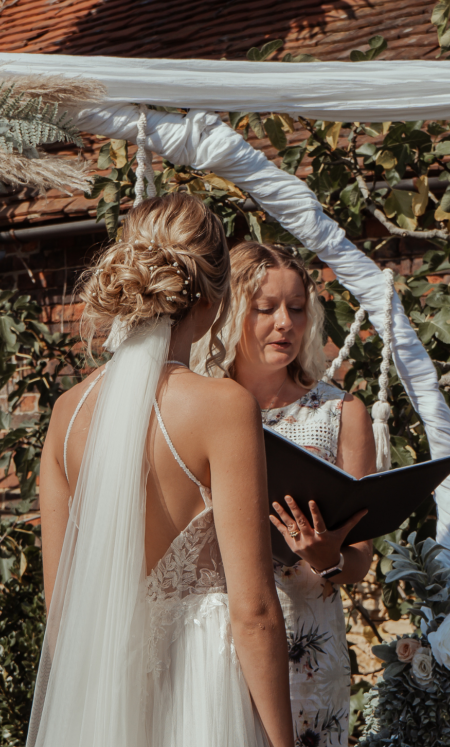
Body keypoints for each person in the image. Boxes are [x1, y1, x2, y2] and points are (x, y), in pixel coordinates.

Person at [30, 194, 294, 747]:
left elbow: (62, 615)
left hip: (109, 702)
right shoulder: (223, 407)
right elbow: (254, 611)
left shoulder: (66, 416)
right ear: (216, 298)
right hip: (206, 700)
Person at [198, 242, 375, 747]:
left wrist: (329, 558)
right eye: (266, 308)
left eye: (296, 308)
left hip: (307, 652)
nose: (285, 324)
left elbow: (361, 559)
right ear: (231, 313)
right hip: (215, 644)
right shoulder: (198, 408)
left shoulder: (341, 414)